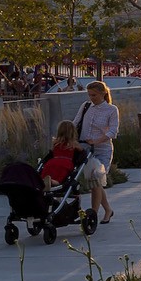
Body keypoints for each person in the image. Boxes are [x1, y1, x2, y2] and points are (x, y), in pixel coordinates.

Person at [77, 80, 120, 224]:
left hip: (102, 149)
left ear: (102, 94)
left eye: (94, 95)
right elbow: (76, 122)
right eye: (89, 95)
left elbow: (113, 131)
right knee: (94, 182)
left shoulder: (111, 109)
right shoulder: (86, 106)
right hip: (85, 149)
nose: (91, 98)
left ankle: (93, 214)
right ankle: (107, 209)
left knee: (96, 178)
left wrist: (97, 140)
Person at [41, 120, 81, 190]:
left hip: (51, 162)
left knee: (47, 173)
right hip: (65, 164)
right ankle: (52, 182)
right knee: (59, 178)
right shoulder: (74, 144)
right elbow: (82, 153)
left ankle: (42, 181)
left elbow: (52, 153)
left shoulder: (56, 143)